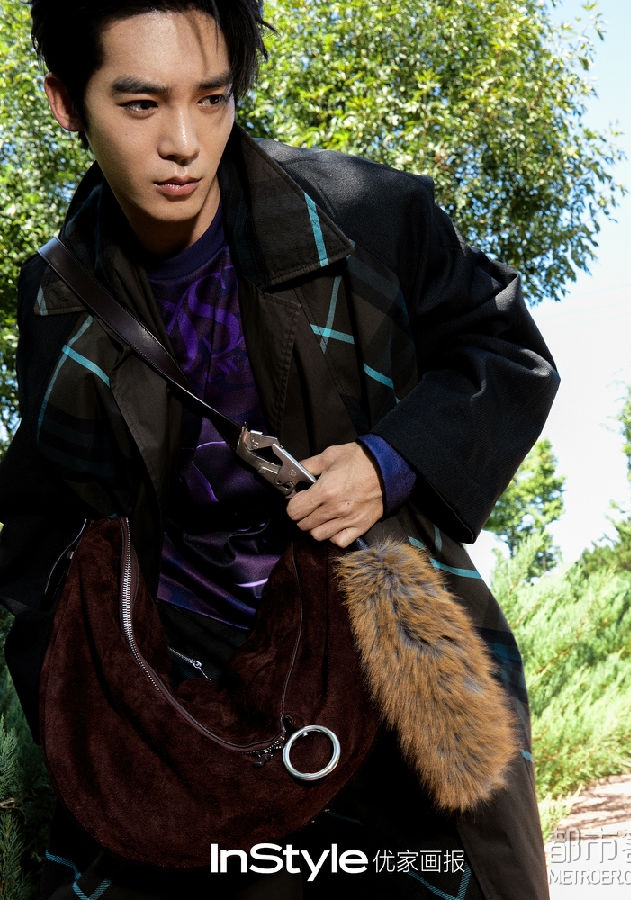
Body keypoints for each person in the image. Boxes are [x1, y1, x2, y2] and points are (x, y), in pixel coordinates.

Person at [0, 1, 560, 897]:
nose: (184, 143)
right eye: (141, 104)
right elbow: (41, 527)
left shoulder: (366, 214)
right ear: (67, 102)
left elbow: (505, 352)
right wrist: (80, 710)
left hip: (388, 671)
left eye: (212, 98)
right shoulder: (55, 297)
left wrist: (388, 461)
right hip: (184, 708)